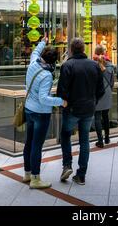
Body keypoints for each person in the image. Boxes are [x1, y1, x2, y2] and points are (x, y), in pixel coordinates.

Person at [57, 38, 105, 185]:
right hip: (89, 109)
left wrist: (64, 103)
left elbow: (62, 90)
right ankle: (81, 174)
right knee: (85, 140)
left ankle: (67, 165)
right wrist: (93, 101)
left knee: (65, 135)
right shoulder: (94, 65)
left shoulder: (67, 65)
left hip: (72, 108)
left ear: (71, 50)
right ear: (84, 49)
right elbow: (101, 89)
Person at [23, 37, 67, 189]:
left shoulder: (33, 62)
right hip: (41, 114)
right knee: (36, 145)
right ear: (53, 62)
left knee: (28, 142)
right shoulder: (47, 75)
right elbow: (43, 99)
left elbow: (35, 51)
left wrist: (43, 41)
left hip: (28, 109)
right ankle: (35, 178)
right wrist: (60, 101)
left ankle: (27, 173)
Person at [93, 45, 115, 148]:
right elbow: (112, 82)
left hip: (97, 93)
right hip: (107, 93)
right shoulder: (110, 66)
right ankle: (107, 138)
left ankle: (100, 140)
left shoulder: (93, 65)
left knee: (97, 117)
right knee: (106, 116)